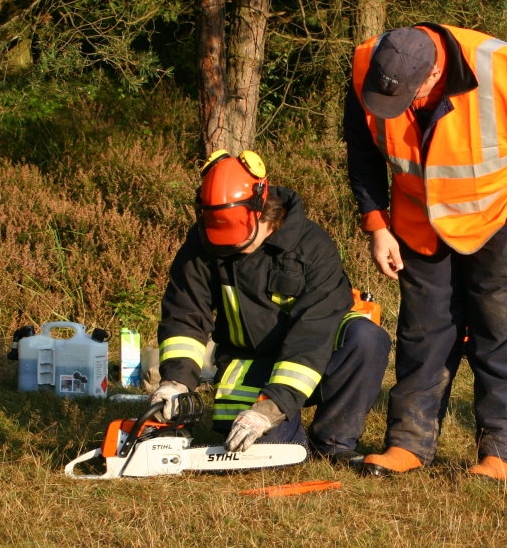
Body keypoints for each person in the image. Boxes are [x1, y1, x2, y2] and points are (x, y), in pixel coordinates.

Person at [344, 23, 507, 480]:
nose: (401, 108)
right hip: (416, 222)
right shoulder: (369, 69)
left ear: (433, 75)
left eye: (409, 96)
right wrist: (377, 225)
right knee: (422, 334)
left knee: (503, 335)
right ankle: (407, 445)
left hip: (499, 217)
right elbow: (362, 152)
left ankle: (501, 453)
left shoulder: (500, 70)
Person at [149, 149, 390, 464]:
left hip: (312, 362)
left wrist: (272, 407)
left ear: (263, 209)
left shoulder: (313, 248)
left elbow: (313, 335)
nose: (237, 249)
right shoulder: (202, 243)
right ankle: (295, 440)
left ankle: (334, 442)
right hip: (247, 361)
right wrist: (175, 382)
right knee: (274, 454)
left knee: (367, 337)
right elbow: (185, 316)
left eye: (245, 240)